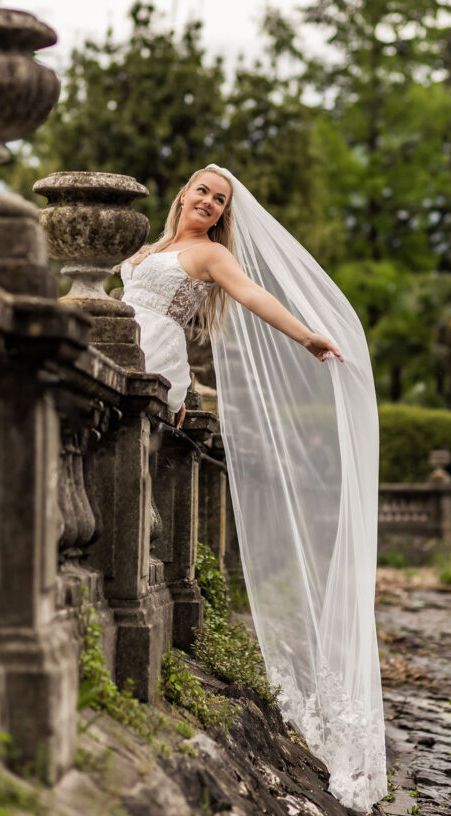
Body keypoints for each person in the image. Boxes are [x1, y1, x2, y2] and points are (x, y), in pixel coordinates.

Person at [121, 166, 387, 813]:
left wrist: (304, 335)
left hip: (156, 362)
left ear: (220, 213)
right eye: (202, 191)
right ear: (183, 193)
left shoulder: (209, 255)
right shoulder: (140, 252)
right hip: (124, 351)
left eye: (220, 199)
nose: (209, 203)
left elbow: (250, 297)